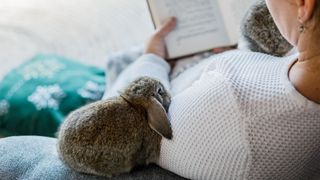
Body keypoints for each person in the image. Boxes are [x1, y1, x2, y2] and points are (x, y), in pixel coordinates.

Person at [104, 0, 320, 179]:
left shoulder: (232, 111)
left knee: (123, 62)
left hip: (169, 86)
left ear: (303, 4)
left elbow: (130, 121)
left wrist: (151, 59)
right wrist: (239, 53)